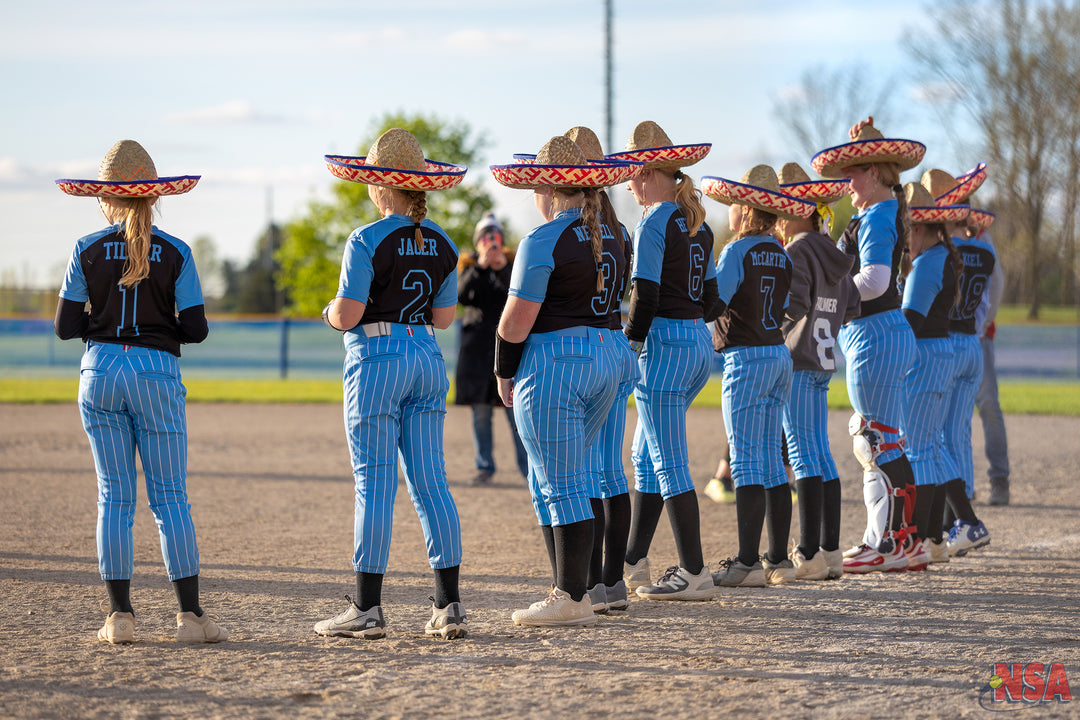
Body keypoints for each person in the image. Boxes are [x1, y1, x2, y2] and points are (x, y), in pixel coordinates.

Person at [53, 139, 226, 644]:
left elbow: (65, 326)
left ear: (107, 198)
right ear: (152, 197)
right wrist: (158, 331)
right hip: (156, 373)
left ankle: (120, 618)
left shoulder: (85, 248)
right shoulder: (177, 251)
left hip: (100, 372)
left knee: (114, 496)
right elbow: (195, 329)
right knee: (171, 498)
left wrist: (104, 326)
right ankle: (190, 619)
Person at [317, 128, 467, 640]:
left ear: (383, 187)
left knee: (374, 486)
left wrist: (330, 315)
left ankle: (366, 608)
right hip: (426, 355)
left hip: (377, 358)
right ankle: (448, 605)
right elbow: (444, 317)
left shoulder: (365, 238)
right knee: (430, 481)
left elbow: (350, 312)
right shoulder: (443, 241)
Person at [489, 136, 633, 626]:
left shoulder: (544, 239)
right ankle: (582, 589)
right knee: (575, 475)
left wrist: (503, 369)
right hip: (607, 357)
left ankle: (570, 597)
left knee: (560, 482)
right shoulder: (619, 234)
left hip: (557, 361)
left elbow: (514, 322)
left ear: (549, 185)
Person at [606, 121, 720, 601]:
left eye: (632, 173)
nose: (628, 183)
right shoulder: (700, 222)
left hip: (666, 344)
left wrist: (626, 348)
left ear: (648, 171)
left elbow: (645, 297)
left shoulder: (653, 221)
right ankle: (633, 560)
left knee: (669, 461)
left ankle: (694, 571)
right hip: (696, 339)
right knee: (646, 456)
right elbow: (713, 302)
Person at [811, 117, 925, 574]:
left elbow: (876, 280)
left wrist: (831, 301)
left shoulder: (878, 215)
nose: (847, 183)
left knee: (875, 440)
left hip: (875, 333)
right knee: (881, 439)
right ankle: (891, 539)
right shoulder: (877, 212)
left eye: (853, 173)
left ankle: (894, 542)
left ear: (875, 172)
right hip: (881, 333)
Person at [700, 165, 813, 587]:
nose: (729, 210)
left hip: (745, 359)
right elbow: (786, 306)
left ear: (746, 211)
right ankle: (777, 559)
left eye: (733, 204)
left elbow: (716, 303)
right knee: (771, 461)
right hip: (776, 353)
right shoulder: (782, 252)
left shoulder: (737, 250)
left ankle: (747, 561)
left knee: (745, 460)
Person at [562, 126, 638, 615]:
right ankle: (614, 583)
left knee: (587, 472)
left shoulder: (573, 230)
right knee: (612, 470)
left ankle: (588, 584)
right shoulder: (622, 229)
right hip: (617, 344)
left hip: (584, 348)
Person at [775, 162, 861, 580]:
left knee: (804, 453)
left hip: (799, 360)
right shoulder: (834, 254)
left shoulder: (798, 251)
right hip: (824, 361)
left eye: (784, 205)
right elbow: (851, 308)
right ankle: (830, 551)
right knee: (820, 453)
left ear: (802, 209)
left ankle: (808, 551)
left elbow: (791, 304)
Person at [924, 170, 996, 556]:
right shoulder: (985, 250)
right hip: (973, 340)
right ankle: (960, 517)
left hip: (947, 341)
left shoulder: (943, 250)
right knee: (959, 434)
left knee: (935, 434)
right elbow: (984, 305)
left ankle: (956, 520)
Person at [898, 181, 969, 570]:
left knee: (921, 449)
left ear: (919, 228)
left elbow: (910, 322)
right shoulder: (941, 255)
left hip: (924, 354)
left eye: (907, 229)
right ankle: (934, 540)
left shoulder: (928, 262)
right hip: (939, 352)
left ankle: (921, 538)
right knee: (930, 446)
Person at [455, 211, 529, 485]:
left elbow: (522, 294)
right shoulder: (468, 265)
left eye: (495, 236)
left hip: (507, 347)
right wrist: (481, 267)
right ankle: (485, 466)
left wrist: (501, 268)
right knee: (481, 414)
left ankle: (527, 468)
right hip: (476, 352)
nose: (491, 242)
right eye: (485, 237)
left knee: (515, 412)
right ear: (478, 241)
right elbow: (460, 295)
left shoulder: (513, 263)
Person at [969, 208, 1011, 506]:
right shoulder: (941, 235)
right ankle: (960, 486)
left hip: (979, 338)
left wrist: (983, 323)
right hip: (951, 337)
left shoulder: (983, 238)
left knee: (988, 405)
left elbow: (996, 285)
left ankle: (999, 478)